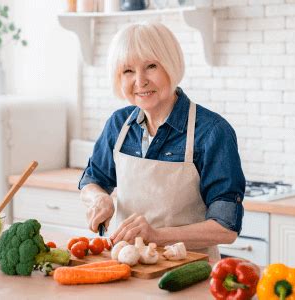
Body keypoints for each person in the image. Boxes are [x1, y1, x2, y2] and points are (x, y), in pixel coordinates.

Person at [78, 22, 245, 260]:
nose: (140, 81)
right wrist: (100, 198)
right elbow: (92, 180)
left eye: (151, 66)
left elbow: (226, 228)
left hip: (189, 275)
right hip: (128, 269)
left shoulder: (211, 132)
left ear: (170, 64)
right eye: (128, 71)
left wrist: (156, 235)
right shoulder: (119, 124)